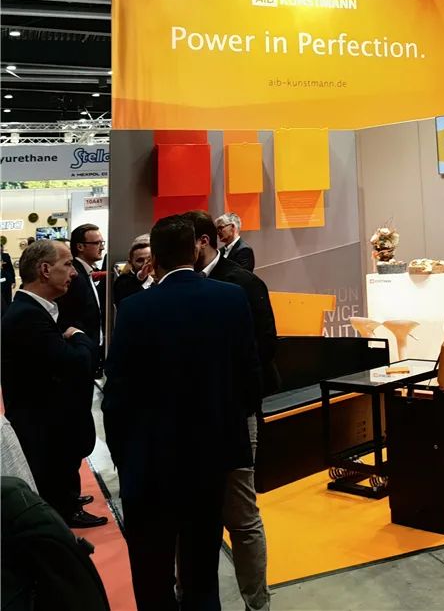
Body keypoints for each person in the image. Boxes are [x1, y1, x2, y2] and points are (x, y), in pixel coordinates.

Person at [103, 214, 261, 611]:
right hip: (210, 462)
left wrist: (125, 457)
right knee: (201, 570)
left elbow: (117, 394)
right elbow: (249, 379)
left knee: (153, 572)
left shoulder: (135, 309)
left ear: (154, 259)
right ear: (195, 249)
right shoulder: (230, 298)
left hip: (150, 463)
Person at [187, 210, 276, 611]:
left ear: (203, 241)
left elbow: (264, 348)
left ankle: (257, 602)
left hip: (236, 416)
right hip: (190, 421)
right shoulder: (177, 285)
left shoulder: (243, 283)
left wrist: (236, 400)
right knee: (192, 518)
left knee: (241, 516)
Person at [0, 240, 105, 528]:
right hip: (42, 419)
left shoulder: (34, 310)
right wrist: (81, 338)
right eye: (67, 264)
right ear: (45, 270)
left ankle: (67, 501)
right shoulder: (27, 315)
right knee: (51, 467)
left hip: (48, 417)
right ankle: (64, 509)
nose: (73, 272)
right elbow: (74, 363)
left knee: (59, 463)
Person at [56, 224, 105, 347]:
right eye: (97, 243)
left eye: (102, 243)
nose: (102, 247)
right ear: (80, 247)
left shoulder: (85, 272)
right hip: (81, 346)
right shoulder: (75, 276)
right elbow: (70, 316)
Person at [113, 235, 153, 308]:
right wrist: (140, 277)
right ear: (130, 262)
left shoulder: (159, 277)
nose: (146, 264)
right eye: (140, 260)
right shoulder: (122, 281)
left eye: (149, 259)